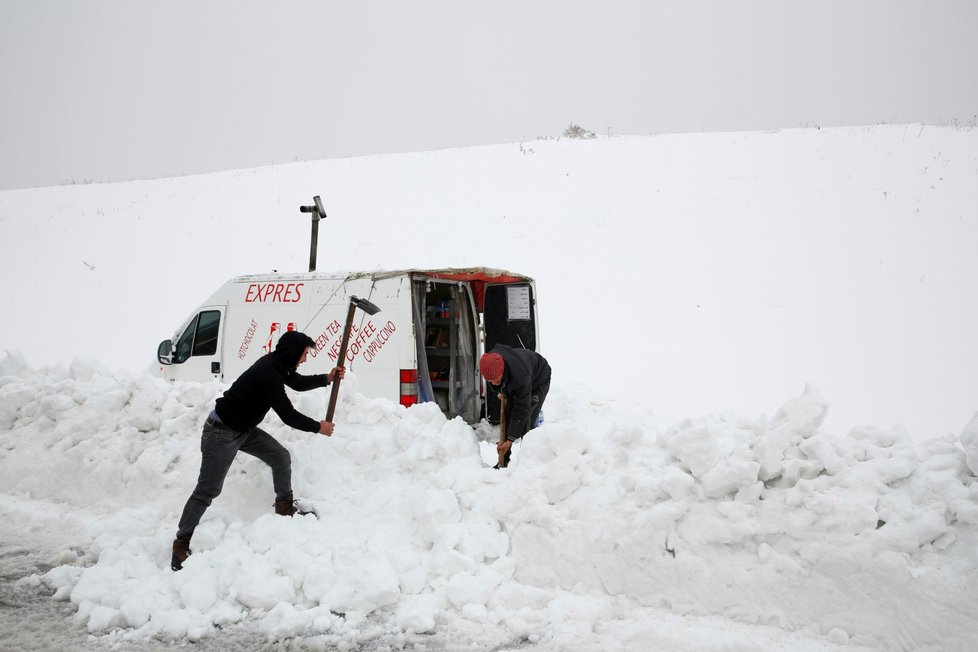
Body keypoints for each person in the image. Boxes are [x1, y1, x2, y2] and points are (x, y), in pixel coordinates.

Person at [171, 330, 344, 571]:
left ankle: (284, 507)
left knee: (280, 457)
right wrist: (318, 427)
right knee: (208, 489)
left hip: (244, 430)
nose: (305, 359)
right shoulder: (269, 372)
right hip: (220, 432)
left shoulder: (279, 366)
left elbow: (296, 381)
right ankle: (181, 543)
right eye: (304, 354)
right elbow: (288, 416)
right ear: (294, 352)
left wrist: (326, 378)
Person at [479, 344, 551, 468]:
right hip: (519, 373)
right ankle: (503, 461)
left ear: (502, 371)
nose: (493, 383)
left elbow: (521, 410)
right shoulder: (491, 361)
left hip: (538, 378)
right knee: (508, 414)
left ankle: (528, 463)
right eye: (490, 381)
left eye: (496, 379)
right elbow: (498, 381)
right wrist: (501, 389)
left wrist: (510, 439)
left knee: (527, 421)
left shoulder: (520, 377)